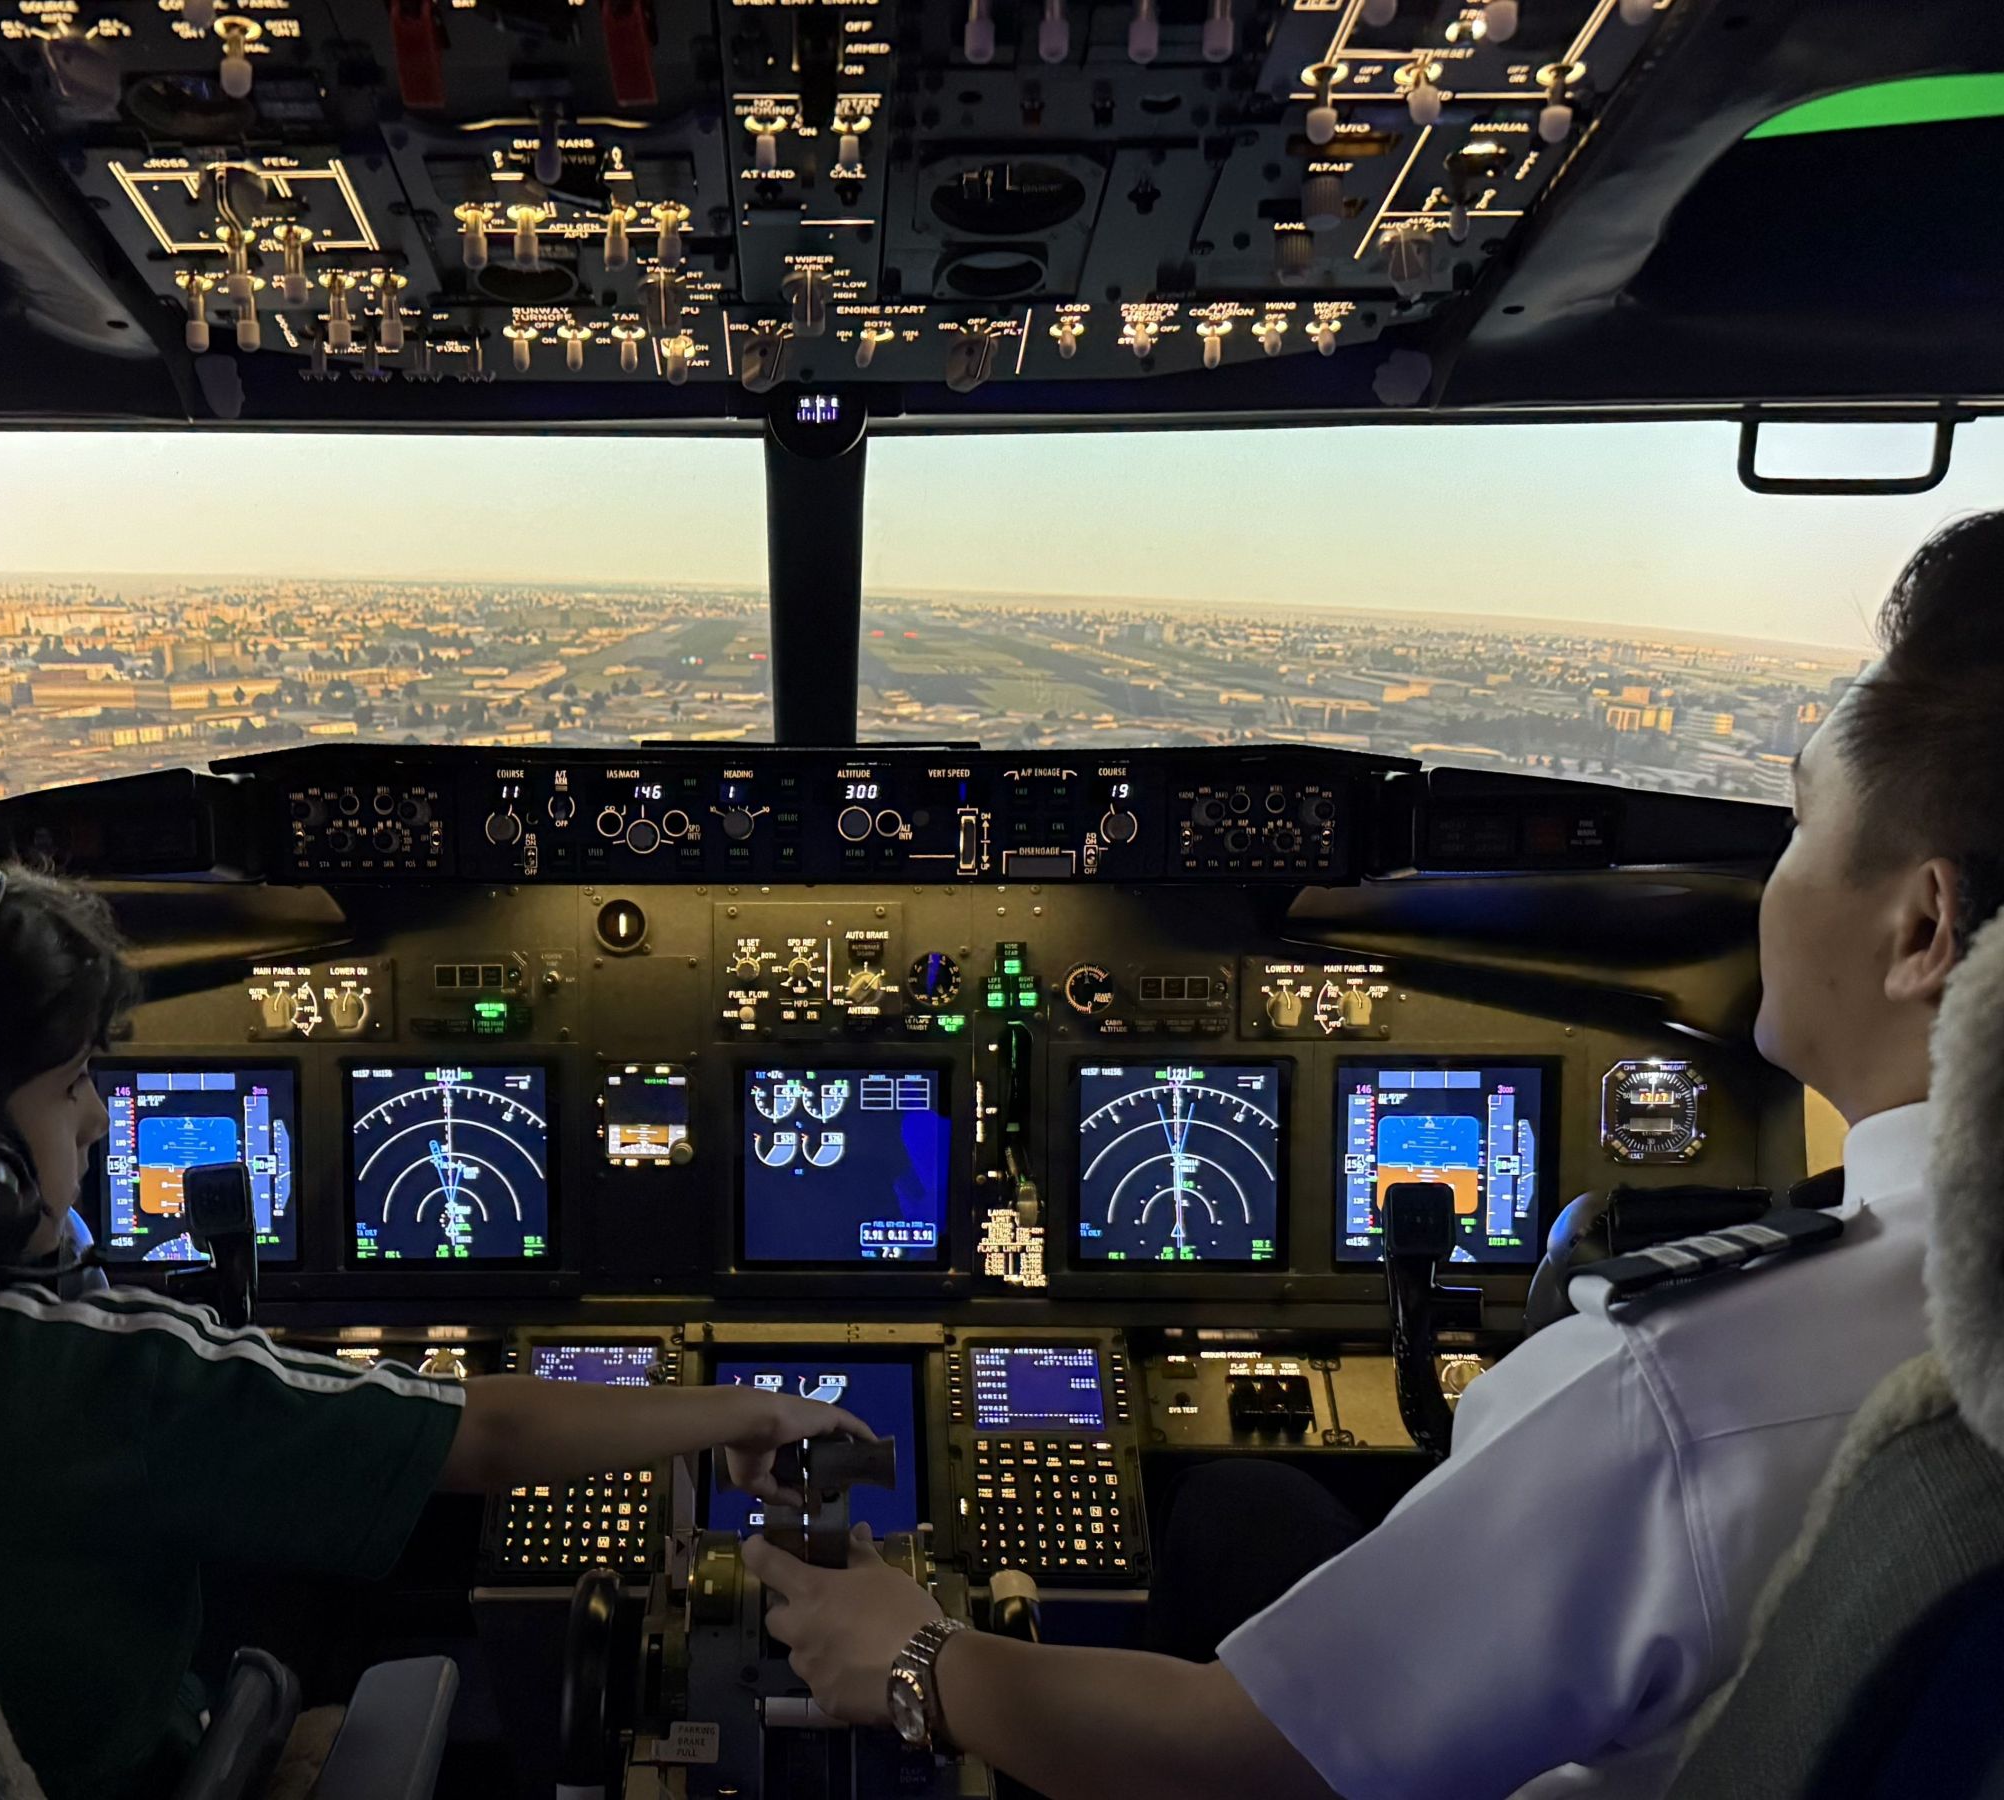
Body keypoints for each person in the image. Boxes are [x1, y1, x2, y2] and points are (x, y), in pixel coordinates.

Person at [747, 509, 2004, 1800]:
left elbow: (1247, 1757)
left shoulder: (1675, 1398)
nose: (1772, 882)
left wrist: (923, 1661)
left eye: (1796, 824)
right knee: (1237, 1511)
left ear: (1922, 927)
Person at [0, 831, 866, 1800]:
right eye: (74, 1083)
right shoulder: (101, 1381)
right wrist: (743, 1406)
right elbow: (487, 1437)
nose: (93, 1122)